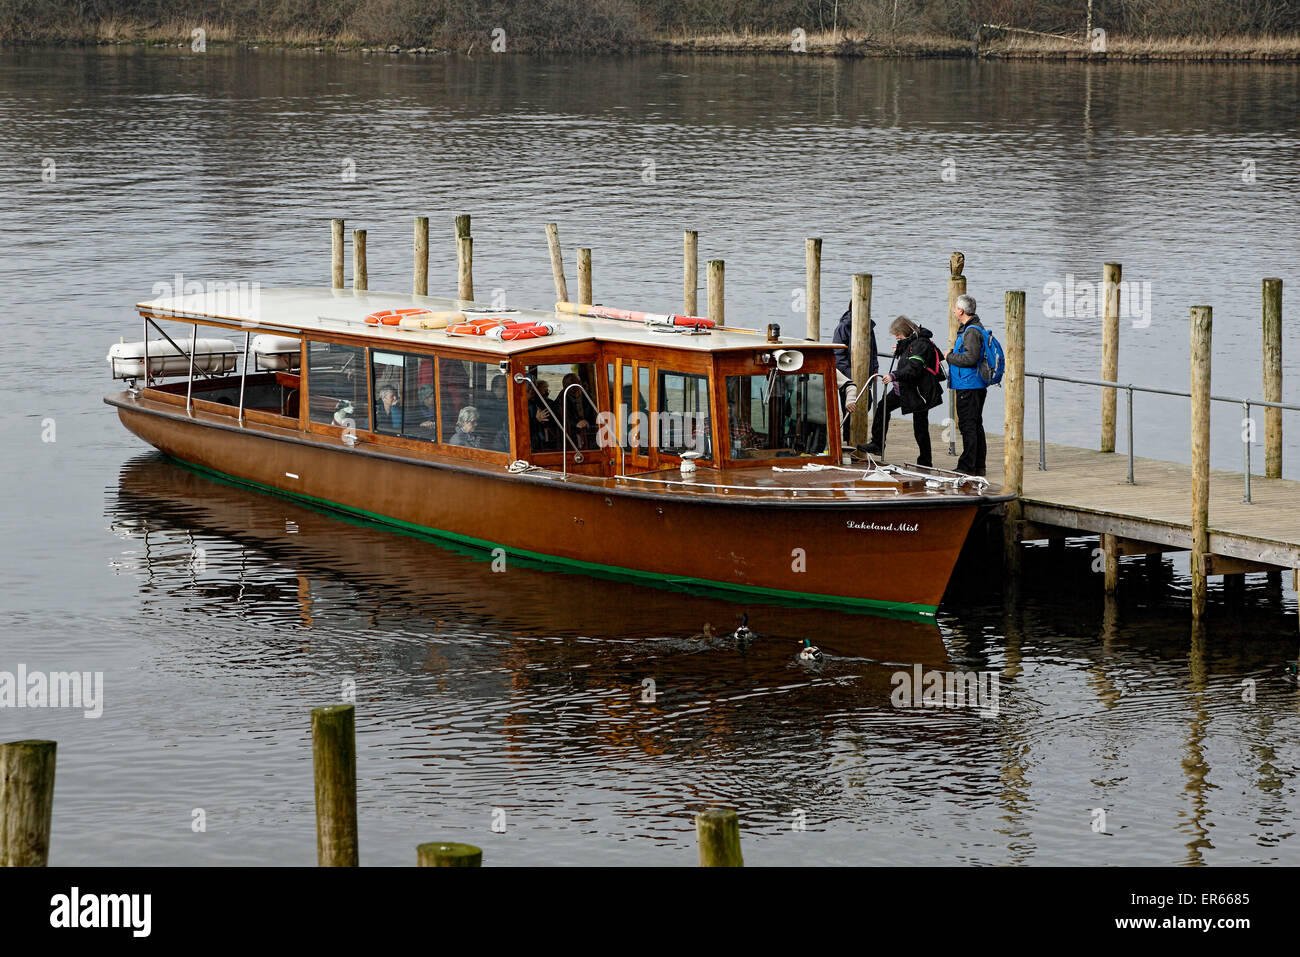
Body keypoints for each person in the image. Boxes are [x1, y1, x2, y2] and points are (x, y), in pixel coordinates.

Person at [860, 316, 944, 467]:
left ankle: (925, 461)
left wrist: (893, 375)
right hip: (904, 389)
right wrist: (901, 349)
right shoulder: (912, 342)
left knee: (920, 426)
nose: (896, 337)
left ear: (905, 331)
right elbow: (909, 356)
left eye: (897, 334)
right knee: (882, 407)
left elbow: (914, 368)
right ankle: (877, 443)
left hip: (919, 392)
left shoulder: (921, 345)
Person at [945, 293, 988, 475]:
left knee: (968, 425)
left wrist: (949, 356)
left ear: (961, 311)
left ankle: (967, 466)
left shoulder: (971, 331)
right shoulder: (974, 328)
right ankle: (978, 465)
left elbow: (970, 358)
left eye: (955, 308)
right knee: (976, 424)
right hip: (974, 384)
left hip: (969, 385)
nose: (954, 310)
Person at [832, 301, 878, 404]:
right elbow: (838, 353)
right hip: (848, 376)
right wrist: (850, 374)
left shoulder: (869, 326)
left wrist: (875, 369)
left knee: (867, 403)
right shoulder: (843, 327)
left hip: (866, 375)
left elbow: (873, 350)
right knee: (849, 408)